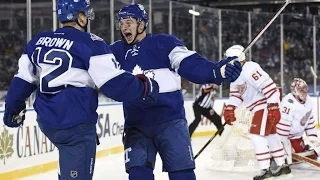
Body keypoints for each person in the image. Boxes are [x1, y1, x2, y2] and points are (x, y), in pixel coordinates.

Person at [2, 0, 159, 180]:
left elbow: (23, 79)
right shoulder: (91, 43)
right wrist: (145, 87)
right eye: (85, 13)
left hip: (48, 121)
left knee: (69, 164)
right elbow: (113, 84)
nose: (87, 17)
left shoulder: (38, 40)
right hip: (75, 124)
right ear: (80, 17)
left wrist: (12, 109)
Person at [109, 4, 242, 180]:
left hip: (170, 122)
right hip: (136, 125)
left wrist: (215, 72)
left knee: (183, 176)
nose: (124, 27)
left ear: (142, 24)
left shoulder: (164, 43)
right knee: (138, 175)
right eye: (122, 23)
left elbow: (189, 63)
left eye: (129, 22)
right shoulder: (114, 52)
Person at [223, 45, 291, 180]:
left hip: (264, 105)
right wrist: (230, 108)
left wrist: (273, 106)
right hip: (257, 108)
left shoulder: (250, 68)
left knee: (256, 136)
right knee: (271, 137)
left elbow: (269, 86)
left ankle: (265, 169)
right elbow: (236, 96)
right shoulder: (234, 75)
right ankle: (282, 165)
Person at [277, 78, 320, 164]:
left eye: (305, 89)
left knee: (315, 153)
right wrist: (282, 147)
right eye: (301, 90)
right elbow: (282, 129)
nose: (304, 92)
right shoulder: (288, 104)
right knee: (288, 159)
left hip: (299, 139)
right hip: (288, 139)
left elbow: (309, 119)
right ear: (295, 91)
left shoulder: (308, 101)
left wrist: (313, 138)